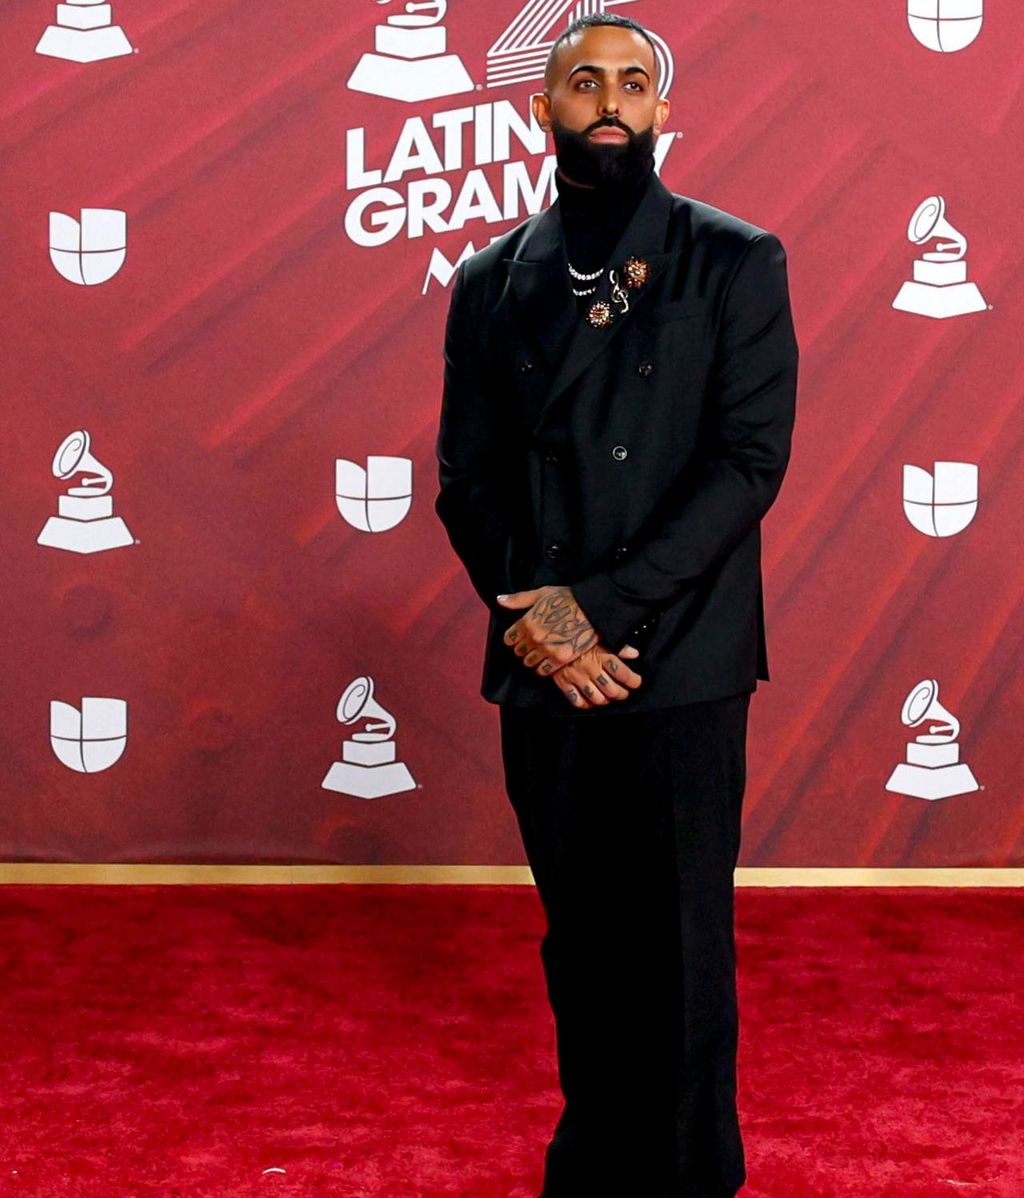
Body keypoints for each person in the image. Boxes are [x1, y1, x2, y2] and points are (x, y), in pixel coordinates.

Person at [434, 13, 799, 1197]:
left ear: (660, 112)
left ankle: (691, 1174)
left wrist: (599, 610)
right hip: (545, 663)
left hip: (678, 657)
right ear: (538, 107)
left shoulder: (734, 258)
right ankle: (591, 1163)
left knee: (682, 944)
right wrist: (541, 627)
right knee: (579, 939)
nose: (608, 97)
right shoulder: (489, 281)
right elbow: (466, 480)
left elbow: (747, 461)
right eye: (581, 78)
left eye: (631, 82)